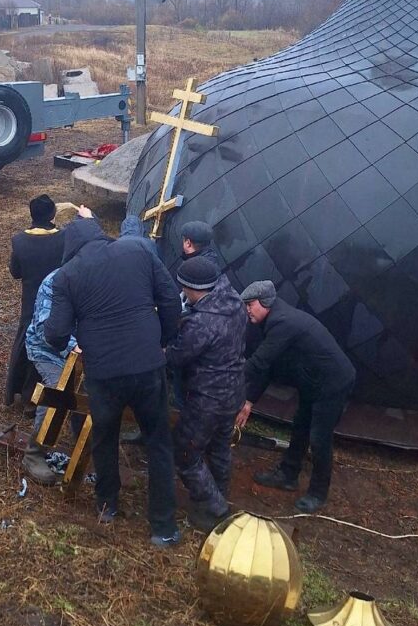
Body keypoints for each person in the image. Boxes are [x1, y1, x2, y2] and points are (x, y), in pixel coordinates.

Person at [45, 215, 183, 548]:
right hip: (148, 366)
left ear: (71, 246)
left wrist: (79, 332)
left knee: (104, 438)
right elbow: (169, 300)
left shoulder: (68, 275)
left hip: (104, 374)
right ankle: (163, 527)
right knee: (159, 443)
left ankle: (108, 505)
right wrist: (162, 339)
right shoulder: (138, 252)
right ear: (101, 234)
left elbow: (56, 333)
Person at [235, 281, 355, 514]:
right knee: (300, 426)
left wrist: (226, 379)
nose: (247, 309)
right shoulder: (273, 320)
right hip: (313, 381)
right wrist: (249, 401)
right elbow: (268, 366)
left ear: (265, 302)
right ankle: (288, 475)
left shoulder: (283, 323)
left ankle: (317, 493)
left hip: (333, 383)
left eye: (250, 304)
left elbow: (259, 362)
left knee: (319, 438)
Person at [167, 257, 246, 531]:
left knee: (185, 452)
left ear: (191, 288)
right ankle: (217, 499)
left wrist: (161, 349)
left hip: (207, 398)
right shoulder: (234, 302)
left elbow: (177, 357)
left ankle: (217, 508)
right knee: (219, 448)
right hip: (233, 390)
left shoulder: (202, 323)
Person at [4, 194, 65, 411]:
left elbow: (15, 272)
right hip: (57, 301)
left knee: (26, 344)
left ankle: (20, 391)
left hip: (31, 302)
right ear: (52, 214)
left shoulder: (20, 241)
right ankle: (43, 392)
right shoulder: (64, 238)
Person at [21, 266, 80, 486]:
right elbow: (46, 330)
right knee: (57, 391)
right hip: (49, 351)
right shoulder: (55, 282)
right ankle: (34, 453)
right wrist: (76, 347)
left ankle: (83, 442)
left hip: (86, 350)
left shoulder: (104, 278)